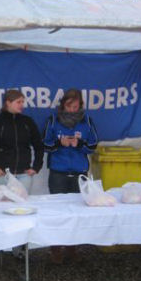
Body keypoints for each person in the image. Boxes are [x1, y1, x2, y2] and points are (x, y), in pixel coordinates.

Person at [0, 89, 44, 266]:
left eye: (23, 102)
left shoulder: (28, 122)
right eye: (19, 102)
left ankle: (19, 251)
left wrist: (36, 167)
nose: (22, 105)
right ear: (8, 102)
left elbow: (39, 146)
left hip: (23, 176)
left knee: (21, 213)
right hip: (2, 177)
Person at [43, 88, 98, 263]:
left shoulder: (87, 121)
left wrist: (78, 143)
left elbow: (93, 145)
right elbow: (45, 144)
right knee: (57, 212)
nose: (72, 109)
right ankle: (55, 249)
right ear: (63, 105)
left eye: (75, 106)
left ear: (80, 105)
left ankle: (72, 248)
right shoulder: (53, 120)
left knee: (77, 211)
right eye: (69, 106)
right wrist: (59, 143)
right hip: (58, 172)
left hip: (79, 172)